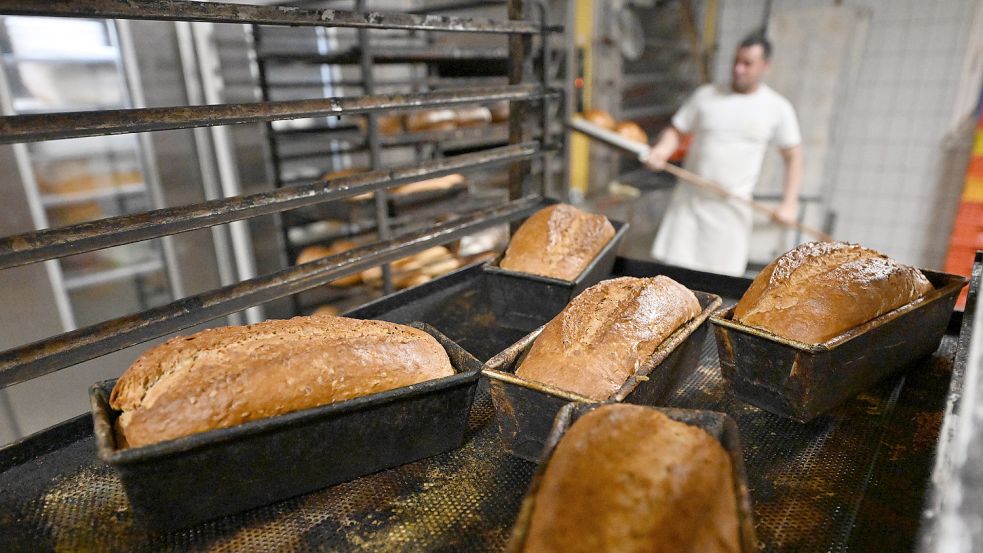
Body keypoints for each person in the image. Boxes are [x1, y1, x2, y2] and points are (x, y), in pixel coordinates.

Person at [644, 32, 802, 276]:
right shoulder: (706, 96)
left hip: (731, 210)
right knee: (672, 279)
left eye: (747, 63)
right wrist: (663, 149)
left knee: (719, 283)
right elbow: (675, 130)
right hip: (689, 204)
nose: (738, 69)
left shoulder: (777, 108)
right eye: (736, 61)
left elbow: (793, 156)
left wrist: (789, 203)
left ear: (765, 66)